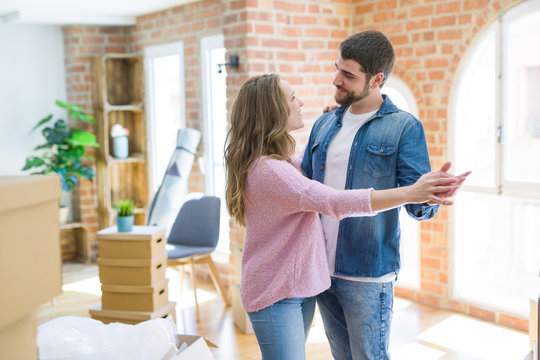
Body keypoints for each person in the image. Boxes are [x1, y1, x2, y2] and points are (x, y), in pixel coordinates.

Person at [225, 73, 467, 360]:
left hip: (293, 290)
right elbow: (332, 200)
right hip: (277, 295)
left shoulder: (273, 163)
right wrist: (409, 193)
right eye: (292, 97)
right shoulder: (270, 171)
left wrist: (332, 135)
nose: (301, 102)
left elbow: (300, 170)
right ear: (271, 110)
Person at [300, 30, 458, 360]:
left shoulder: (404, 128)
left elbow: (416, 206)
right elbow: (305, 189)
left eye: (348, 74)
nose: (336, 79)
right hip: (319, 269)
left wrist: (430, 196)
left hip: (367, 275)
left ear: (376, 79)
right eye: (337, 68)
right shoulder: (324, 124)